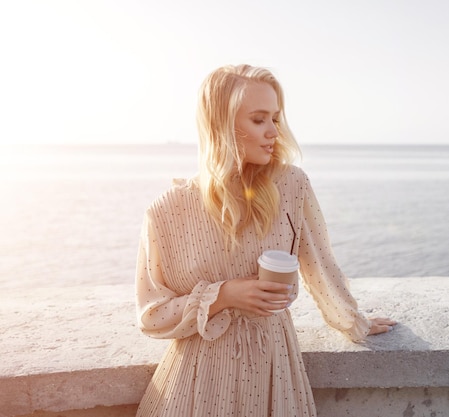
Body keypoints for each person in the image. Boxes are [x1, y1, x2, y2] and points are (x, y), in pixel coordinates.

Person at [134, 64, 396, 417]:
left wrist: (352, 321)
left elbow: (320, 264)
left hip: (275, 373)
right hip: (196, 386)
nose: (274, 131)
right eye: (259, 120)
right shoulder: (166, 211)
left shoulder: (292, 185)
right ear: (221, 126)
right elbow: (151, 315)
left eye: (275, 118)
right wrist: (224, 295)